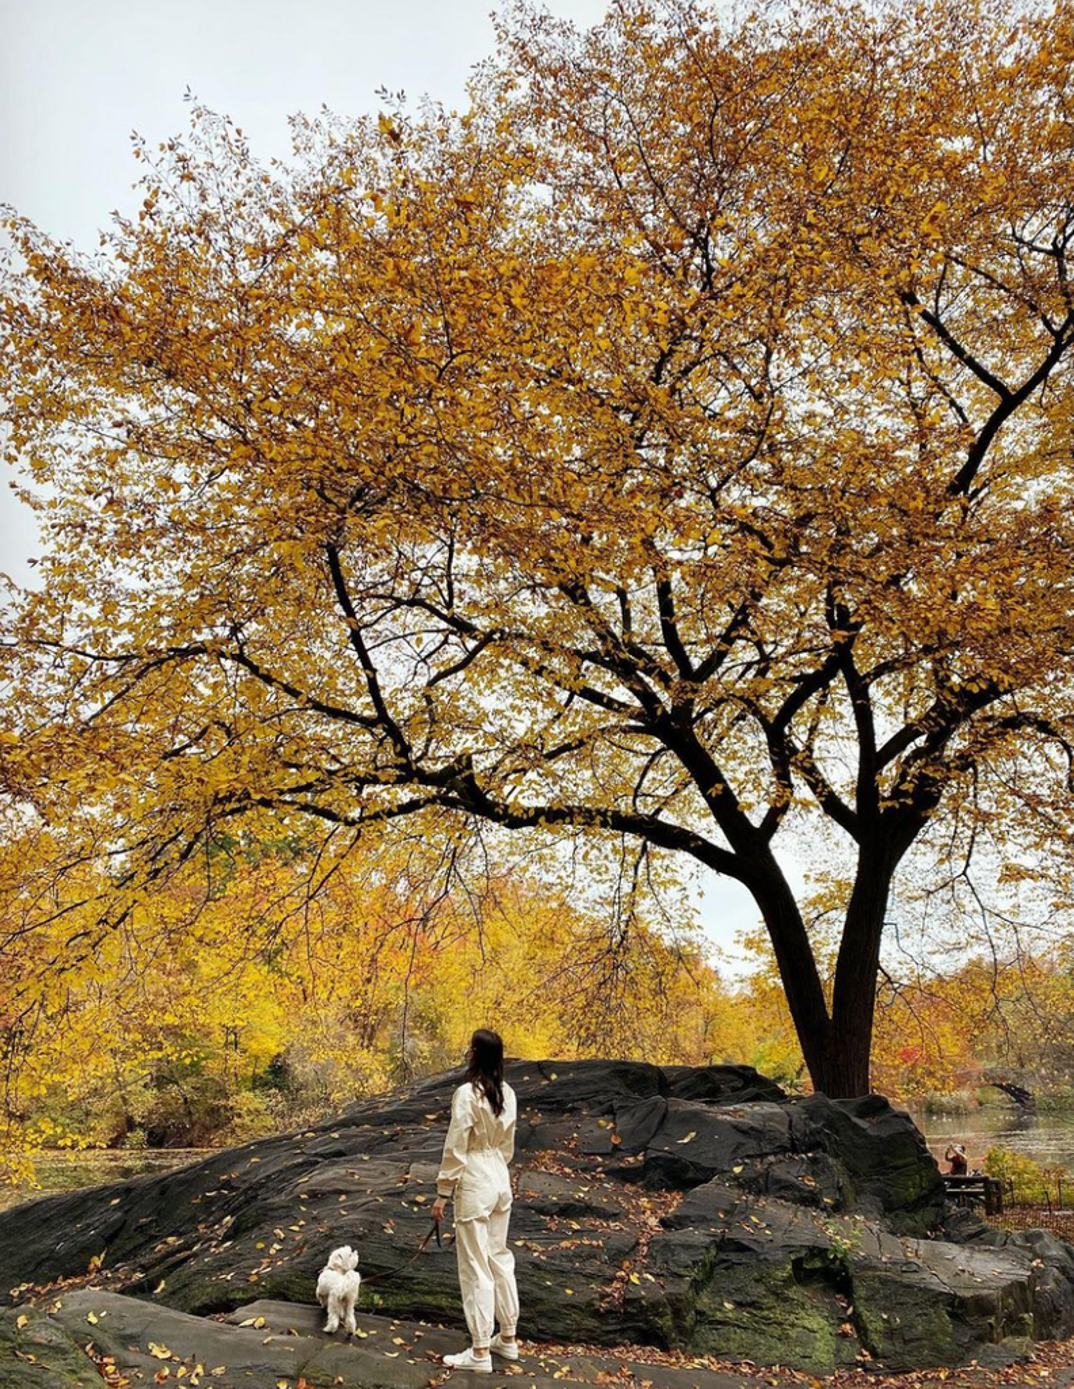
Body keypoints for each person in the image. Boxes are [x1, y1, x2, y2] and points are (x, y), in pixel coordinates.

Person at [431, 1028, 520, 1375]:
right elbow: (508, 1144)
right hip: (500, 1174)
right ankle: (508, 1336)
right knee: (499, 1256)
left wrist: (442, 1191)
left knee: (474, 1266)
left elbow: (456, 1146)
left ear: (473, 1054)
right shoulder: (508, 1093)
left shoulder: (467, 1094)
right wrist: (496, 1165)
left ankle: (480, 1349)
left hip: (475, 1177)